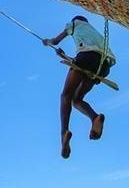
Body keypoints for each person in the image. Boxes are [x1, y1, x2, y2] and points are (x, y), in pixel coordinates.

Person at [42, 15, 115, 159]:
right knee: (76, 100)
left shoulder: (74, 23)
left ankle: (64, 133)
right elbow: (85, 60)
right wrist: (64, 56)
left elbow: (56, 41)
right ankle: (94, 118)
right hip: (103, 66)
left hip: (87, 58)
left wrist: (47, 42)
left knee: (66, 96)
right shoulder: (95, 33)